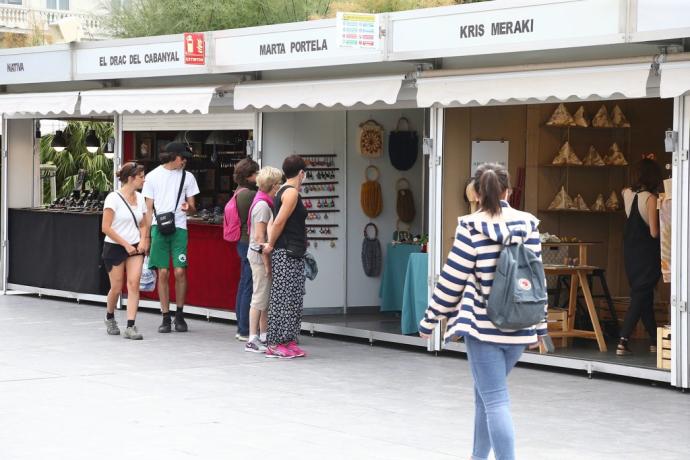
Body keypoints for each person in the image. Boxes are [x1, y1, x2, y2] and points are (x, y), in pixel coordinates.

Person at [418, 163, 547, 460]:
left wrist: (430, 319)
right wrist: (540, 328)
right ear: (509, 192)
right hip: (519, 328)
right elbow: (536, 281)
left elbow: (453, 278)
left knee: (495, 400)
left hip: (483, 330)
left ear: (476, 193)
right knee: (485, 398)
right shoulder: (528, 225)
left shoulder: (471, 227)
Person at [142, 142, 200, 333]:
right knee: (163, 273)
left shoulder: (188, 177)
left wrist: (188, 208)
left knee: (180, 271)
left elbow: (193, 206)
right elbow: (148, 210)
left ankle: (180, 314)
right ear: (175, 157)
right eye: (183, 157)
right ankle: (165, 316)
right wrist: (147, 236)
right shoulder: (152, 177)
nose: (184, 161)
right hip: (158, 228)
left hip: (180, 228)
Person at [263, 155, 309, 359]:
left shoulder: (283, 191)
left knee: (293, 298)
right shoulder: (290, 193)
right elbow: (279, 222)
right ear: (301, 173)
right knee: (283, 298)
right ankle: (275, 342)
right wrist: (271, 244)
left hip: (293, 251)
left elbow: (273, 221)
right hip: (286, 251)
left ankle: (288, 340)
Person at [618, 158, 663, 356]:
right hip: (648, 255)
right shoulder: (651, 199)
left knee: (644, 297)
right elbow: (654, 232)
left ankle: (654, 340)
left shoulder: (626, 193)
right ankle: (623, 340)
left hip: (631, 253)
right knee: (640, 297)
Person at [101, 162, 148, 340]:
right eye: (141, 176)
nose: (144, 180)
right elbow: (105, 227)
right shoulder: (113, 198)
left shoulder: (141, 198)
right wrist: (125, 244)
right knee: (116, 287)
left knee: (134, 284)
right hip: (115, 246)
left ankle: (130, 325)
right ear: (131, 178)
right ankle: (110, 316)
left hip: (135, 245)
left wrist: (143, 240)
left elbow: (143, 223)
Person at [244, 166, 283, 353]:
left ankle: (264, 336)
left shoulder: (262, 201)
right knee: (259, 298)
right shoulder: (263, 206)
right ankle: (252, 338)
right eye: (278, 184)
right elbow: (260, 239)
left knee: (263, 298)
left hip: (258, 256)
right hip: (259, 258)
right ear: (273, 185)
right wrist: (268, 264)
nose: (280, 187)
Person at [232, 158, 259, 342]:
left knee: (244, 283)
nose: (258, 176)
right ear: (249, 176)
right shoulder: (249, 195)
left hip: (241, 242)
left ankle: (241, 325)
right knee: (249, 284)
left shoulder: (239, 192)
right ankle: (244, 328)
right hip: (248, 241)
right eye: (256, 173)